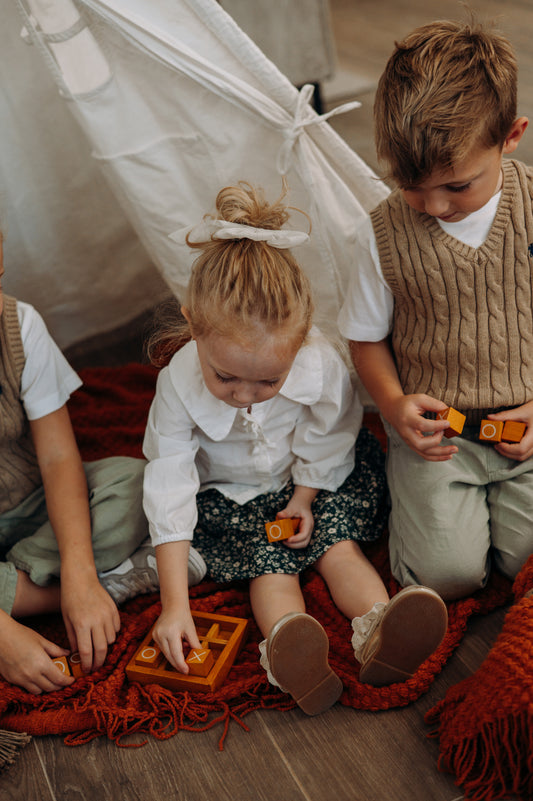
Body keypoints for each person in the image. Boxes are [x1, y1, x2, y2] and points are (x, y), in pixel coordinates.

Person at [142, 181, 448, 715]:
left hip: (309, 478)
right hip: (233, 498)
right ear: (192, 324)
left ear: (303, 337)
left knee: (338, 547)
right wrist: (175, 605)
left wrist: (305, 495)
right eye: (226, 377)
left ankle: (381, 626)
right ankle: (290, 644)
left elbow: (331, 430)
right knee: (270, 566)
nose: (244, 395)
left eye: (268, 383)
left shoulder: (319, 360)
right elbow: (168, 482)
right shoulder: (176, 384)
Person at [338, 18, 533, 601]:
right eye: (412, 186)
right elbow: (366, 338)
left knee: (527, 559)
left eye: (457, 186)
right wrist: (394, 406)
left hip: (526, 423)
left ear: (512, 136)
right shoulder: (380, 235)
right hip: (437, 436)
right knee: (446, 576)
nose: (434, 205)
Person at [0, 233, 205, 695]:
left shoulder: (18, 324)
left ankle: (41, 584)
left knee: (136, 484)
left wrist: (79, 573)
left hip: (30, 501)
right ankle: (75, 587)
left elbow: (56, 459)